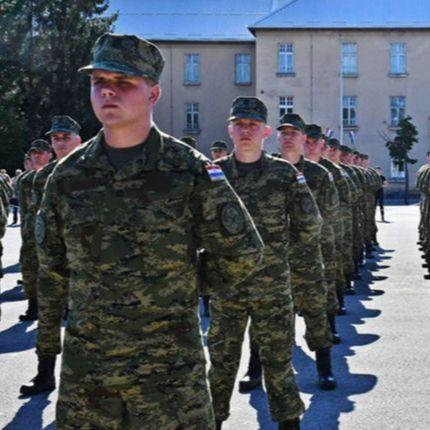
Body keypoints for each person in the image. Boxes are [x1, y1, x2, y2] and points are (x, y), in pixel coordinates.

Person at [35, 33, 263, 429]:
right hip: (89, 375)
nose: (108, 90)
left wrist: (183, 287)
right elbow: (52, 265)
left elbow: (243, 251)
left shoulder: (188, 169)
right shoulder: (69, 175)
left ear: (153, 93)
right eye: (98, 81)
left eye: (123, 82)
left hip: (169, 372)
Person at [209, 97, 323, 430]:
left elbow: (310, 225)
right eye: (239, 125)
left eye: (253, 125)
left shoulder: (283, 173)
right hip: (227, 288)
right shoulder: (214, 175)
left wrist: (281, 259)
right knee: (221, 365)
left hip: (271, 289)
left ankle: (289, 424)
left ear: (265, 131)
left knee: (278, 364)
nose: (246, 131)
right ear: (229, 129)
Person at [20, 115, 82, 397]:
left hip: (83, 260)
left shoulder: (89, 170)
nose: (59, 142)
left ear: (78, 140)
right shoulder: (41, 177)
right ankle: (45, 374)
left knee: (83, 322)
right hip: (52, 261)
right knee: (47, 318)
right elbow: (36, 218)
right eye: (55, 138)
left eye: (65, 137)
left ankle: (82, 380)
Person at [277, 116, 336, 389]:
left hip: (307, 257)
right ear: (276, 137)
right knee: (270, 318)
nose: (288, 137)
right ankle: (255, 369)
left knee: (315, 312)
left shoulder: (318, 174)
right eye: (284, 132)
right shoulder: (267, 170)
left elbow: (330, 213)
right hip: (272, 261)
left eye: (294, 133)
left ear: (304, 139)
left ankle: (325, 368)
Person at [18, 139, 52, 321]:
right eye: (33, 152)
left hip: (53, 234)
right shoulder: (24, 180)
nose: (36, 155)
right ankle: (33, 306)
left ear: (50, 154)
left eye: (41, 152)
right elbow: (24, 210)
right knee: (29, 271)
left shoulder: (57, 174)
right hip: (31, 235)